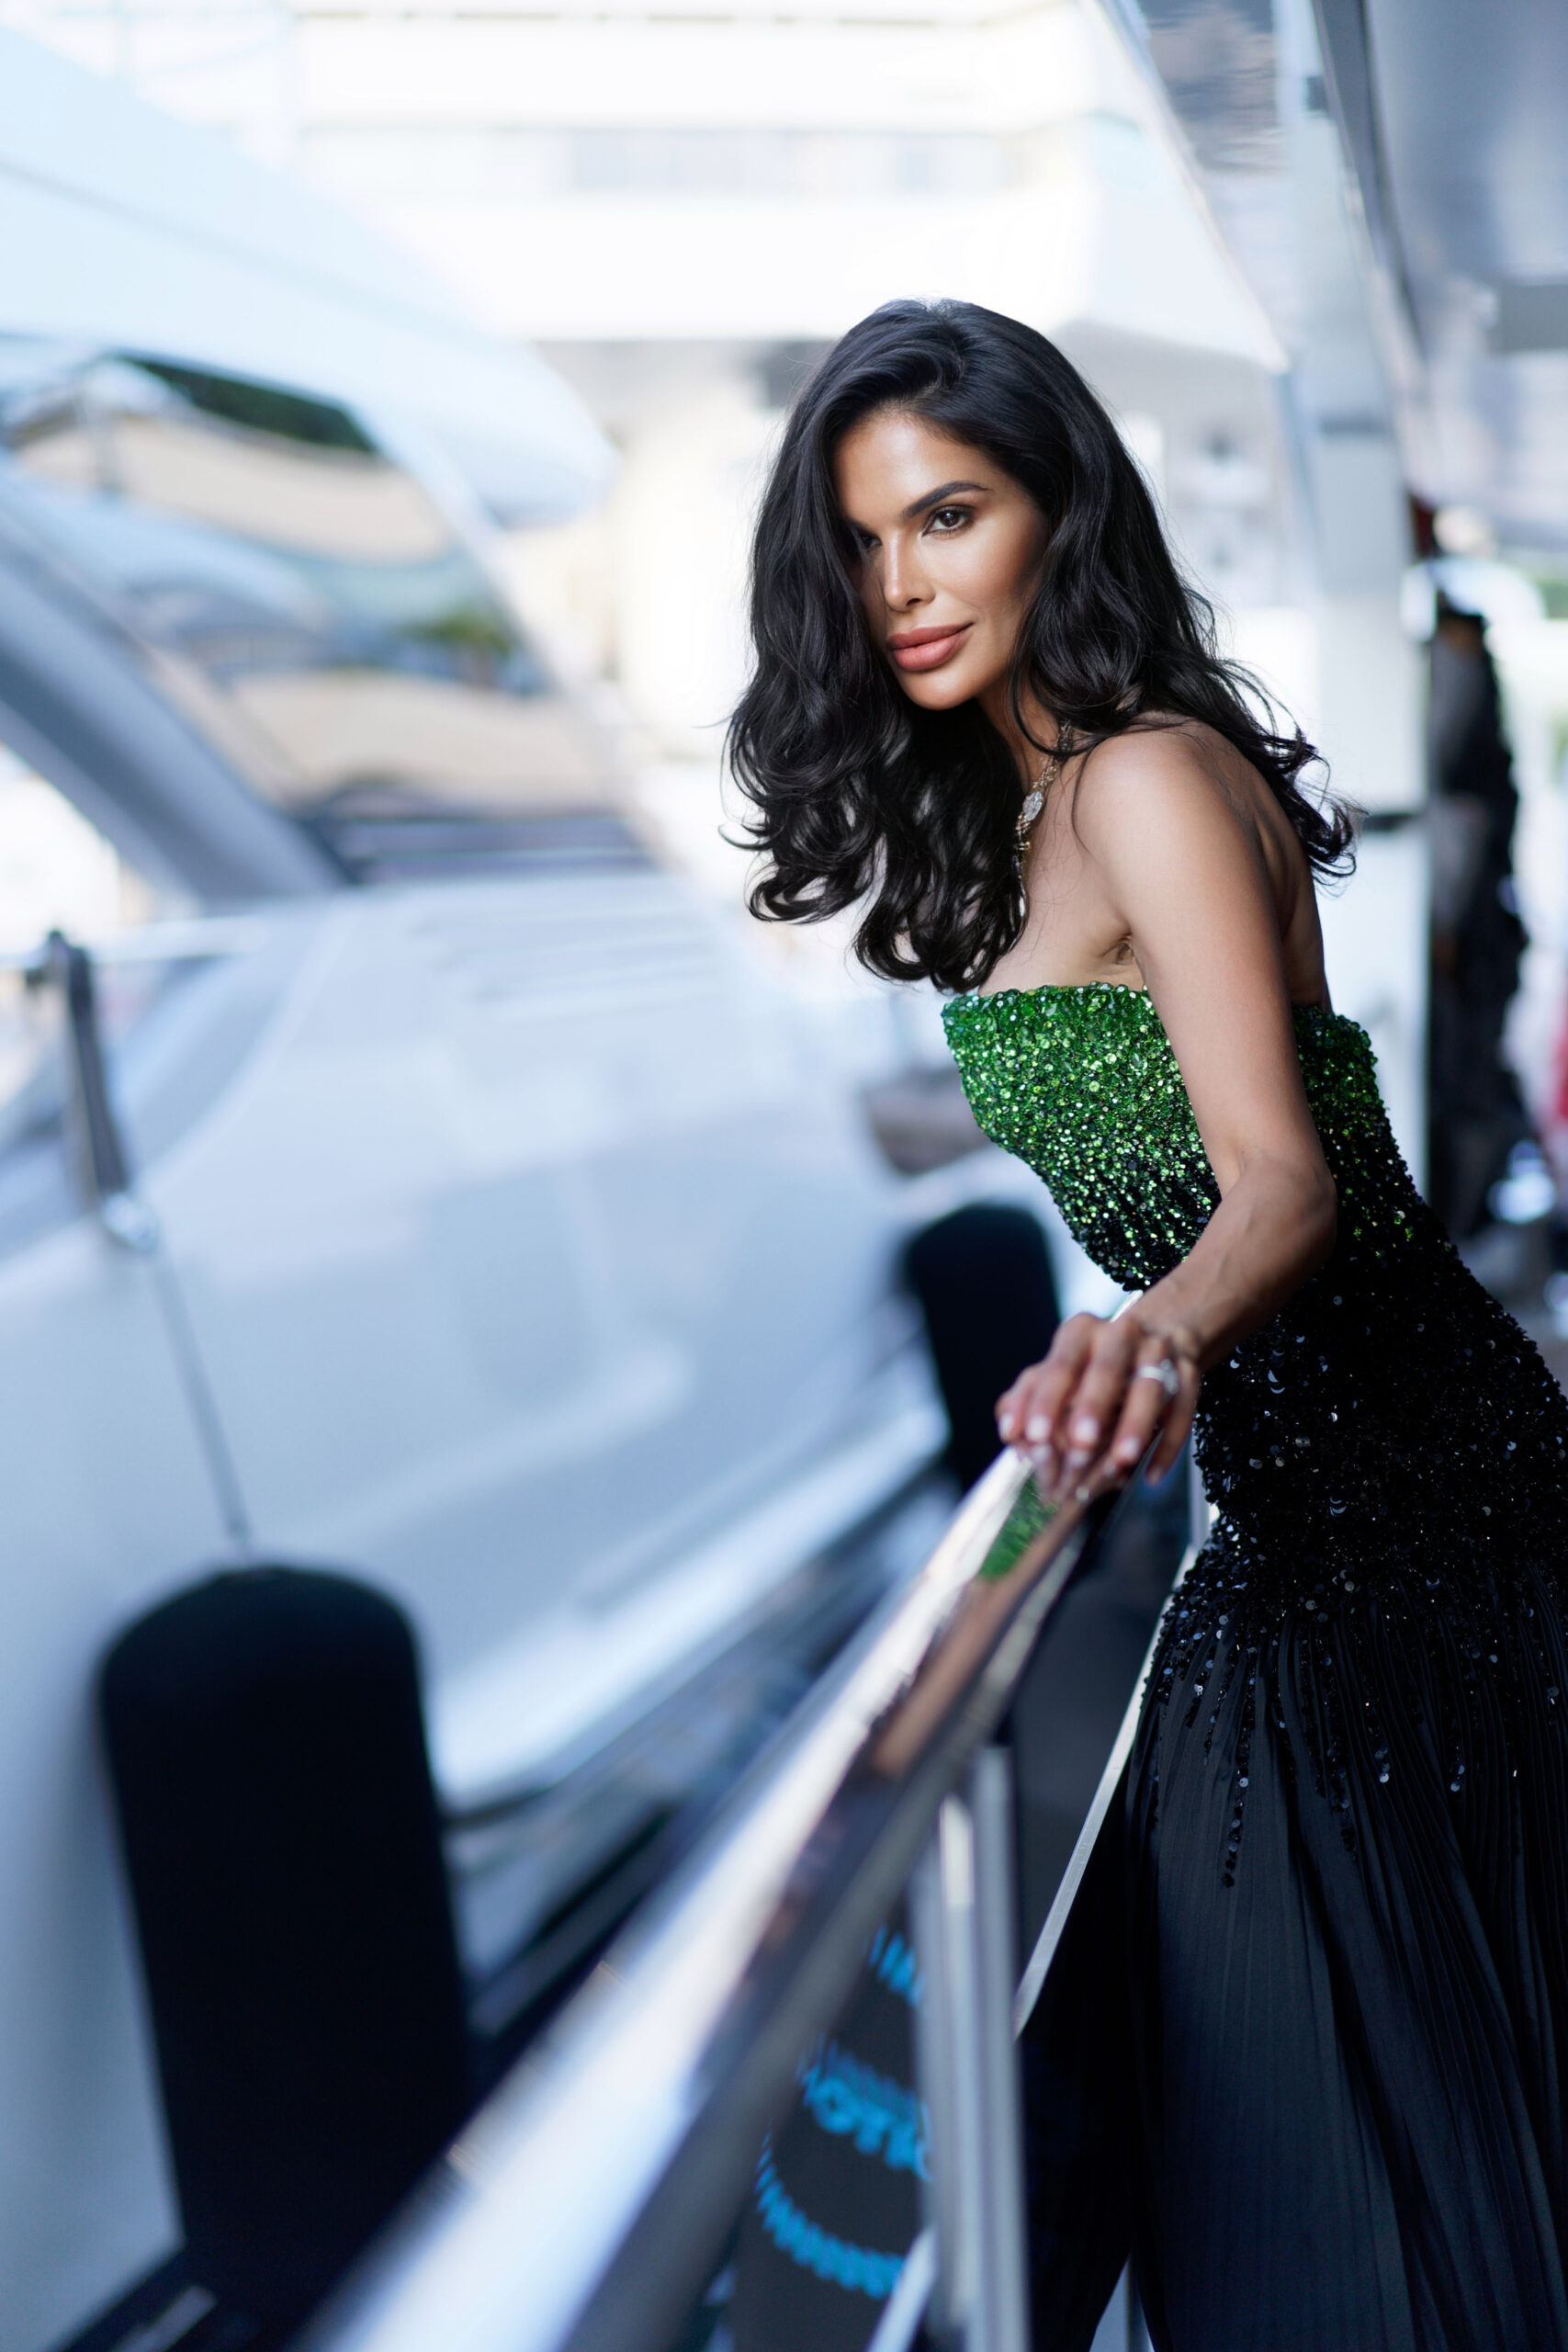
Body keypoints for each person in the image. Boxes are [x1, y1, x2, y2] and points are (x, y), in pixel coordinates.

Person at [729, 298, 1568, 2351]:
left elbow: (1276, 1181)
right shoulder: (1033, 810)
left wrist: (1146, 1336)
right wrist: (1157, 1325)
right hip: (1297, 1532)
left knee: (1396, 2150)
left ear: (1059, 510)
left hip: (1420, 1525)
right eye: (860, 539)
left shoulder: (1145, 776)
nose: (900, 582)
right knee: (1332, 2142)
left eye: (948, 514)